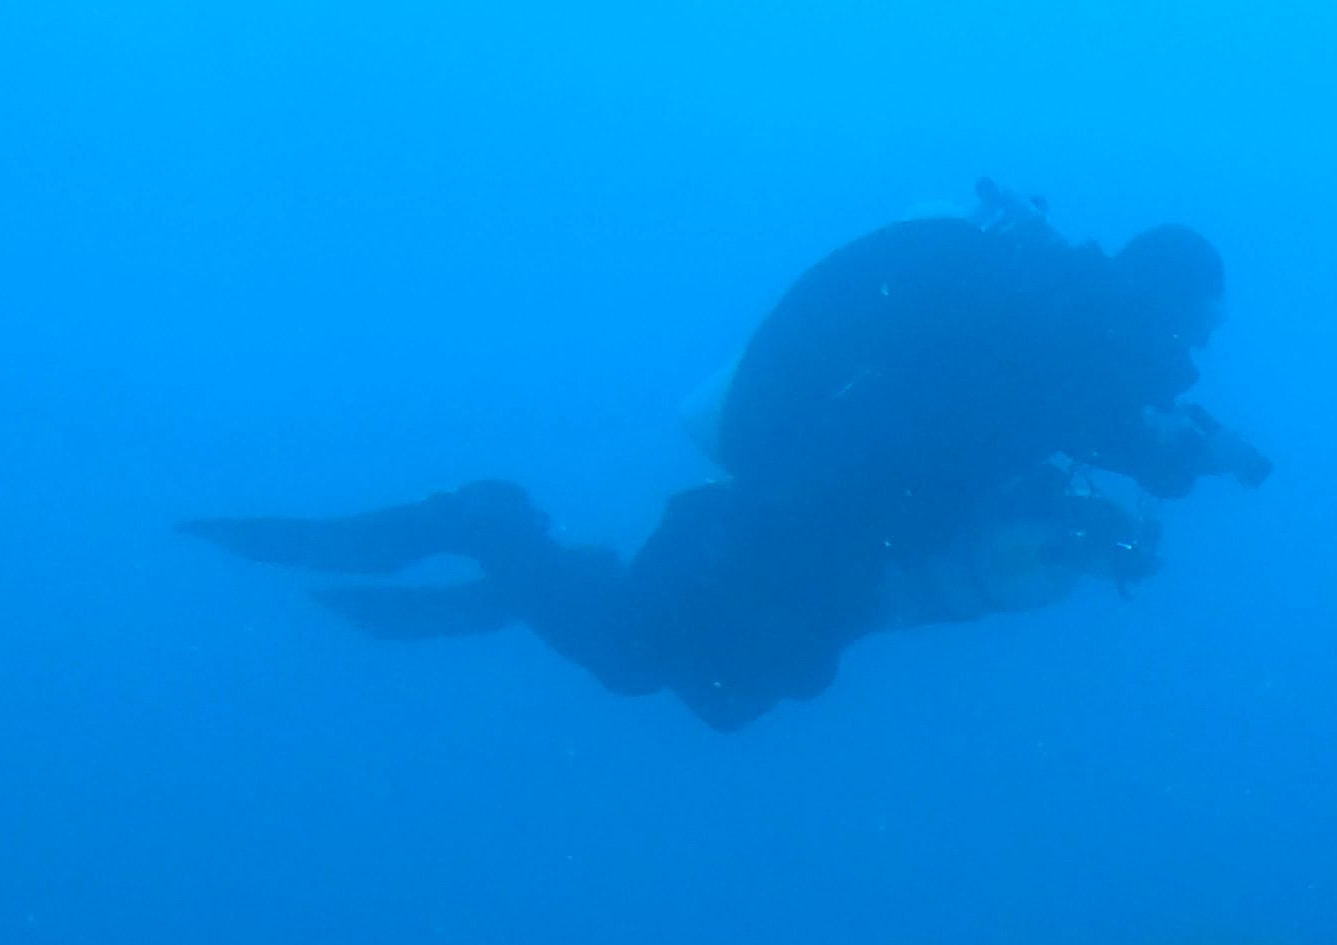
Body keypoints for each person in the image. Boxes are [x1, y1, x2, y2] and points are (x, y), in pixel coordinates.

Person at [182, 185, 1264, 728]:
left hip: (833, 522)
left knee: (720, 682)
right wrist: (1188, 457)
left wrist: (1164, 466)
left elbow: (1079, 435)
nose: (1190, 357)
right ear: (1158, 297)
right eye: (1196, 329)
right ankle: (498, 528)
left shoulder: (1054, 327)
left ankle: (534, 569)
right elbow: (1108, 424)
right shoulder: (1065, 334)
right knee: (651, 659)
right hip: (806, 511)